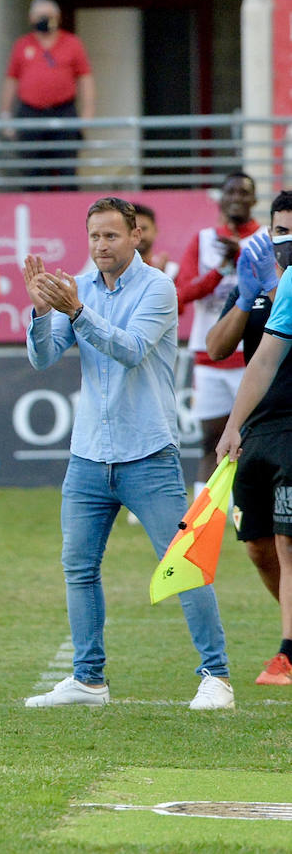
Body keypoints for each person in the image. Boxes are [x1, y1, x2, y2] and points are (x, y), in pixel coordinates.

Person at [23, 196, 233, 710]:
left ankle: (217, 676)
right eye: (94, 236)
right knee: (78, 566)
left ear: (135, 236)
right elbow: (44, 358)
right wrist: (41, 310)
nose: (101, 246)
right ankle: (88, 680)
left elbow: (131, 348)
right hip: (89, 454)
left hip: (148, 453)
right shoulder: (78, 286)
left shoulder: (158, 288)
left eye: (111, 235)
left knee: (182, 562)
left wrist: (75, 309)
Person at [208, 192, 292, 686]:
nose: (286, 241)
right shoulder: (263, 284)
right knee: (259, 546)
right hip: (258, 428)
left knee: (287, 540)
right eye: (279, 231)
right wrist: (245, 297)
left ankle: (287, 651)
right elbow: (228, 350)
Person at [175, 172, 264, 494]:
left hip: (256, 354)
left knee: (256, 437)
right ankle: (206, 511)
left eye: (245, 192)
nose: (237, 198)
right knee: (211, 438)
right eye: (231, 192)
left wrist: (241, 258)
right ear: (222, 199)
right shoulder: (203, 240)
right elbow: (181, 293)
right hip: (209, 354)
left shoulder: (268, 237)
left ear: (254, 200)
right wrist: (221, 269)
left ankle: (252, 503)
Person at [0, 0, 95, 191]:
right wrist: (5, 115)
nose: (45, 20)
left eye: (49, 16)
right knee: (31, 171)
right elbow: (11, 79)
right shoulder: (22, 45)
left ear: (58, 17)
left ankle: (68, 213)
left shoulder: (72, 43)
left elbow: (85, 78)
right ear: (31, 18)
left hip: (63, 111)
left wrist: (87, 114)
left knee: (67, 169)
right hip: (30, 113)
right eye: (40, 16)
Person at [133, 202, 175, 277]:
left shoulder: (171, 270)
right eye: (133, 230)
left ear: (155, 230)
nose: (140, 236)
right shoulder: (113, 272)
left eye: (144, 229)